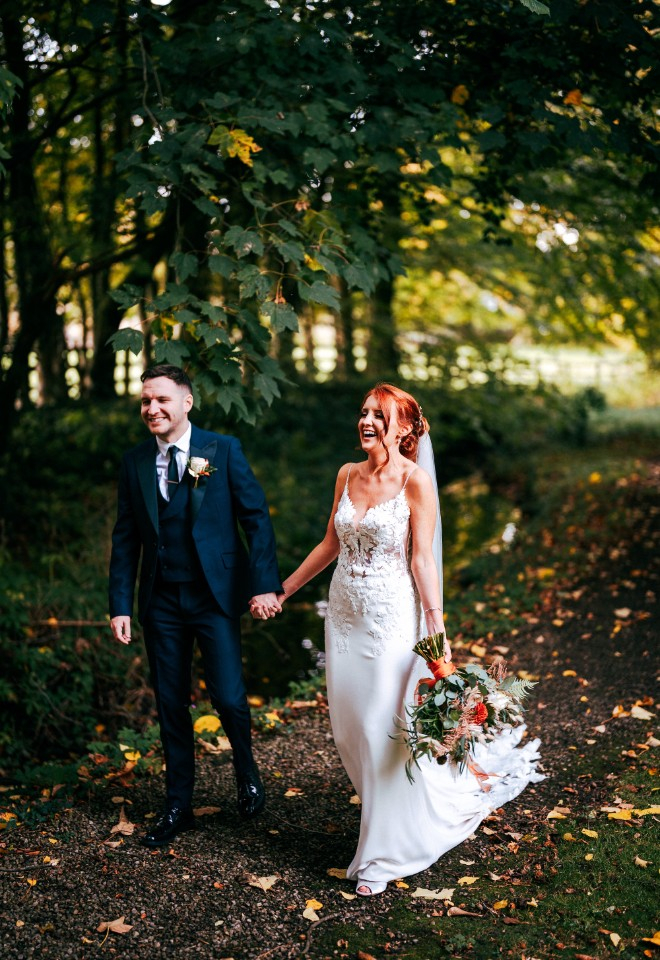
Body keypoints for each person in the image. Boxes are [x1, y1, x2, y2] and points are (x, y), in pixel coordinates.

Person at [261, 383, 542, 896]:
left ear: (406, 428)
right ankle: (392, 815)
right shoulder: (347, 475)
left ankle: (382, 855)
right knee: (348, 728)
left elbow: (422, 558)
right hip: (343, 618)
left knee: (380, 729)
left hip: (392, 620)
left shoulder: (416, 482)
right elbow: (330, 543)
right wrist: (284, 591)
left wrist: (435, 621)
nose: (366, 421)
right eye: (364, 412)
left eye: (379, 415)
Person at [109, 364, 282, 847]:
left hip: (214, 596)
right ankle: (177, 804)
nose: (152, 408)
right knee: (170, 703)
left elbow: (256, 518)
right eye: (145, 400)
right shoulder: (135, 461)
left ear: (187, 402)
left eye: (161, 399)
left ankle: (246, 773)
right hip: (160, 599)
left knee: (227, 697)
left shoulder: (220, 450)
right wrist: (119, 603)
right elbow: (125, 539)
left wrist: (264, 584)